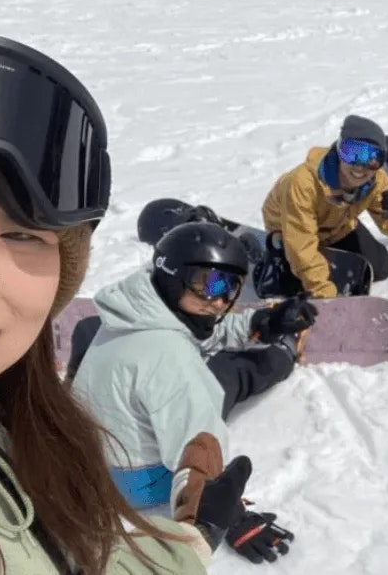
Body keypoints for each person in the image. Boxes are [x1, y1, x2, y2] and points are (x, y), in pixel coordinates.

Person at [0, 27, 253, 573]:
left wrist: (187, 545)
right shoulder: (163, 362)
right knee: (240, 375)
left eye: (20, 234)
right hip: (143, 476)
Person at [71, 221, 317, 564]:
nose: (220, 301)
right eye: (210, 283)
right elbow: (200, 446)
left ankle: (265, 339)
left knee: (91, 330)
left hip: (88, 456)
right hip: (138, 482)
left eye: (231, 287)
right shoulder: (174, 364)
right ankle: (282, 356)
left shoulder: (134, 309)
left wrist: (262, 324)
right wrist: (232, 518)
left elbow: (199, 331)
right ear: (175, 276)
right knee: (229, 373)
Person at [259, 115, 388, 299]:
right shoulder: (302, 183)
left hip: (337, 226)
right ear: (339, 150)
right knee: (298, 275)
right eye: (353, 153)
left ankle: (319, 256)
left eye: (373, 158)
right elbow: (301, 245)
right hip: (289, 228)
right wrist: (324, 294)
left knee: (381, 267)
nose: (361, 167)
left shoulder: (376, 181)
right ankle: (278, 254)